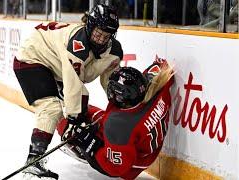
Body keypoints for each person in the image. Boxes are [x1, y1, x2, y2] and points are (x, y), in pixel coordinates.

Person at [13, 4, 123, 180]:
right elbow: (73, 83)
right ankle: (34, 160)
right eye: (97, 32)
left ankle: (48, 151)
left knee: (76, 105)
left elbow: (110, 84)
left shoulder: (114, 52)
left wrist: (122, 103)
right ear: (89, 25)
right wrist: (74, 119)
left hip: (55, 65)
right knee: (52, 108)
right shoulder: (78, 44)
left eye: (106, 35)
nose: (101, 38)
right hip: (32, 57)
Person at [57, 58, 174, 179]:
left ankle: (77, 146)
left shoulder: (118, 125)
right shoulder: (154, 88)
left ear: (121, 98)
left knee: (70, 129)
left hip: (129, 165)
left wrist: (90, 144)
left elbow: (115, 168)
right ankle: (68, 104)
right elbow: (161, 65)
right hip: (140, 144)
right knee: (83, 110)